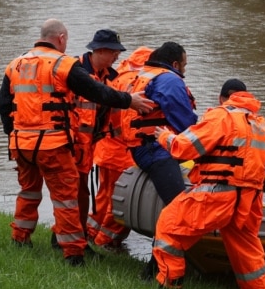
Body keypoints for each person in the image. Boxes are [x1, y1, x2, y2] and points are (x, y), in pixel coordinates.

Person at [0, 19, 153, 266]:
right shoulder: (63, 64)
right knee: (67, 198)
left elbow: (4, 105)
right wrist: (129, 100)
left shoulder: (15, 64)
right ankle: (73, 254)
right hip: (53, 144)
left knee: (28, 191)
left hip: (21, 144)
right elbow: (95, 91)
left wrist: (13, 135)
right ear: (61, 38)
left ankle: (20, 238)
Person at [150, 79, 265, 289]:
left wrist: (163, 136)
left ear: (222, 98)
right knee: (246, 248)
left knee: (169, 227)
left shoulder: (221, 116)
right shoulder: (263, 126)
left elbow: (185, 147)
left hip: (217, 194)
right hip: (248, 201)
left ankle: (170, 285)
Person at [86, 45, 154, 253]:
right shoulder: (142, 83)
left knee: (104, 196)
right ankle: (105, 241)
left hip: (105, 149)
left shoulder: (116, 76)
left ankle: (88, 234)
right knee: (122, 202)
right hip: (123, 152)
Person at [116, 41, 197, 205]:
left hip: (140, 147)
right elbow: (185, 122)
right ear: (175, 64)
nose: (184, 70)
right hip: (156, 150)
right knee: (179, 206)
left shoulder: (146, 74)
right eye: (184, 65)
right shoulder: (169, 80)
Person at [69, 29, 126, 250]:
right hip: (70, 145)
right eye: (114, 52)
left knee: (81, 195)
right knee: (71, 194)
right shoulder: (74, 72)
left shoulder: (111, 78)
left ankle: (79, 237)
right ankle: (70, 239)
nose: (117, 57)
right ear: (100, 51)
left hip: (90, 148)